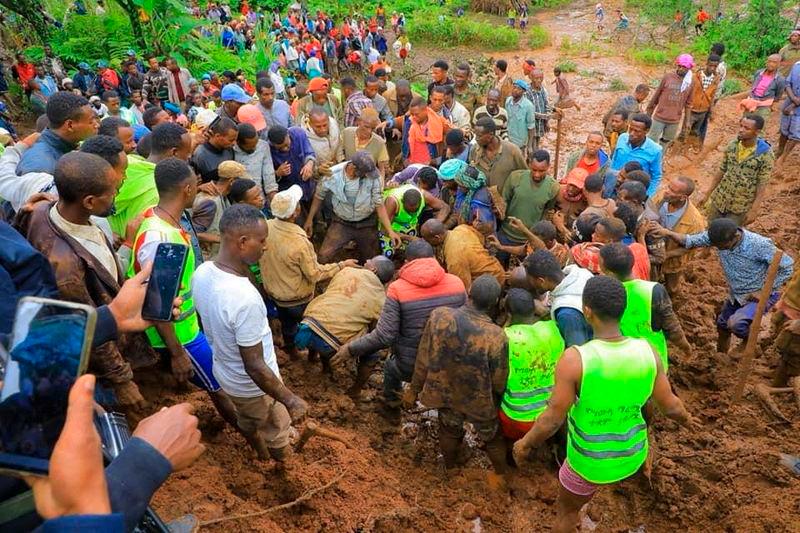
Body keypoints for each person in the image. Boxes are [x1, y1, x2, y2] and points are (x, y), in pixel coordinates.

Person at [512, 275, 696, 533]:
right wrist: (689, 421)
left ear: (587, 311)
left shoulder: (576, 360)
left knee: (566, 511)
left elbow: (553, 419)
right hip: (632, 454)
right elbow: (672, 407)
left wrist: (525, 444)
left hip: (589, 461)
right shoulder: (647, 352)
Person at [15, 149, 155, 409]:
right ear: (89, 202)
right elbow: (89, 325)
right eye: (113, 191)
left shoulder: (43, 207)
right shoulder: (66, 269)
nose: (117, 194)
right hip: (94, 370)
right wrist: (122, 380)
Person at [128, 157, 239, 428]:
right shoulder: (166, 241)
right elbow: (158, 303)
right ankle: (258, 443)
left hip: (180, 328)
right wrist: (177, 352)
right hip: (180, 335)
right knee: (220, 387)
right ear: (187, 190)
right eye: (196, 186)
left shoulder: (153, 218)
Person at [193, 204, 306, 461]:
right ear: (243, 242)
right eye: (262, 240)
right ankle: (279, 458)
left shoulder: (203, 272)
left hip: (225, 372)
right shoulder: (243, 299)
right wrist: (290, 400)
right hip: (253, 387)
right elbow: (255, 365)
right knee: (275, 426)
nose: (265, 246)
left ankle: (258, 447)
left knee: (247, 419)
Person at [333, 240, 466, 418]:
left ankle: (391, 407)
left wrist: (350, 349)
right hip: (451, 363)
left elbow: (385, 336)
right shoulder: (457, 283)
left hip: (410, 366)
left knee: (390, 366)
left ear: (407, 263)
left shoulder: (397, 289)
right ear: (434, 258)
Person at [404, 275, 509, 475]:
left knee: (449, 430)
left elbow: (423, 356)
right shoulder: (496, 336)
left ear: (469, 292)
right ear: (495, 303)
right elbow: (499, 379)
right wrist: (497, 399)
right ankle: (502, 474)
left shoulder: (439, 317)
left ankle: (450, 469)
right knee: (492, 438)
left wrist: (414, 389)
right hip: (478, 399)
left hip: (444, 392)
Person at [657, 218, 794, 354]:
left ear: (736, 237)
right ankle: (720, 358)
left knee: (736, 324)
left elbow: (788, 266)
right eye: (716, 245)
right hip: (737, 294)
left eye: (722, 246)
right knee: (722, 326)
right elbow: (689, 240)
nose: (719, 248)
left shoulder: (758, 245)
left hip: (759, 296)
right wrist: (667, 233)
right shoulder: (718, 238)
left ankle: (751, 344)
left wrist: (763, 291)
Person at [262, 185, 359, 359]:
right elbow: (315, 274)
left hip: (276, 295)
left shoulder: (266, 227)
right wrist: (341, 265)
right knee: (311, 325)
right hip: (297, 298)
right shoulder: (299, 242)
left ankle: (292, 352)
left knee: (287, 325)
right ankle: (312, 355)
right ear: (296, 212)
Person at [298, 255, 395, 396]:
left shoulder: (346, 271)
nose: (366, 260)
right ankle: (355, 390)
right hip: (330, 345)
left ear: (373, 269)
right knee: (372, 352)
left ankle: (315, 359)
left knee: (329, 311)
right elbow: (376, 331)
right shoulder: (381, 299)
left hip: (305, 327)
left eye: (369, 261)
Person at [600, 243, 690, 372]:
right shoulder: (654, 290)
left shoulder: (603, 293)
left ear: (606, 271)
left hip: (620, 364)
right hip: (653, 362)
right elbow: (671, 326)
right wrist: (685, 347)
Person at [306, 151, 399, 263]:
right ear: (353, 168)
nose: (367, 176)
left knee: (372, 261)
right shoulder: (332, 174)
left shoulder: (374, 176)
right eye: (364, 174)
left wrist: (390, 231)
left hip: (367, 223)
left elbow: (379, 204)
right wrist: (309, 219)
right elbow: (319, 196)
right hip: (341, 222)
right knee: (323, 257)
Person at [498, 288, 565, 441]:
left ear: (508, 314)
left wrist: (507, 322)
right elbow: (547, 316)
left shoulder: (506, 337)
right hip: (550, 414)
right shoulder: (553, 329)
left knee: (511, 440)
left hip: (516, 415)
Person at [108, 122, 193, 238]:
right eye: (188, 152)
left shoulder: (126, 165)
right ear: (174, 152)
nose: (189, 157)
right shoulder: (161, 189)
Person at [698, 113, 773, 225]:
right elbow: (722, 170)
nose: (741, 130)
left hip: (740, 206)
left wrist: (754, 209)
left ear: (757, 132)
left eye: (746, 128)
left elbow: (762, 183)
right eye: (741, 126)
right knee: (711, 230)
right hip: (720, 199)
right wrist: (707, 194)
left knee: (728, 237)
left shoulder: (765, 154)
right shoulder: (733, 145)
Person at [643, 176, 706, 294]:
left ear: (683, 197)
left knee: (672, 288)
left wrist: (666, 255)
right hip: (652, 250)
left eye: (672, 191)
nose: (667, 191)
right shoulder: (661, 198)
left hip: (673, 260)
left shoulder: (695, 221)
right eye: (668, 187)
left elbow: (691, 247)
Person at [16, 91, 98, 175]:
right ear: (70, 125)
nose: (97, 125)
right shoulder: (41, 170)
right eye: (91, 121)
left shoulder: (61, 148)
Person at [525, 249, 594, 347]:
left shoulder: (567, 314)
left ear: (541, 281)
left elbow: (577, 350)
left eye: (530, 281)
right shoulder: (581, 274)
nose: (530, 284)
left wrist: (546, 315)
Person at [499, 150, 559, 259]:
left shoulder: (553, 187)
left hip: (529, 239)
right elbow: (504, 201)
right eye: (534, 170)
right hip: (507, 234)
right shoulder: (516, 177)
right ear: (529, 164)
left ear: (549, 167)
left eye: (542, 171)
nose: (537, 174)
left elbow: (547, 211)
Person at [421, 217, 505, 291]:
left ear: (437, 238)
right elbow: (481, 239)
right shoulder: (462, 228)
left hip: (492, 283)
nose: (427, 243)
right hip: (496, 269)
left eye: (428, 240)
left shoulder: (454, 258)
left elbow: (463, 287)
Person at [646, 54, 694, 149]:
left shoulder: (690, 82)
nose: (680, 69)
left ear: (689, 68)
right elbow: (656, 95)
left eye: (684, 67)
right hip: (660, 117)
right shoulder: (668, 77)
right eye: (679, 66)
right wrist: (649, 112)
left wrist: (687, 121)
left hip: (674, 119)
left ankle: (659, 160)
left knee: (665, 142)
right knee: (651, 140)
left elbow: (688, 104)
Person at [609, 113, 663, 196]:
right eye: (630, 129)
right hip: (613, 185)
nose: (631, 133)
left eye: (637, 131)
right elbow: (614, 159)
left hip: (632, 193)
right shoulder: (622, 138)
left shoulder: (655, 150)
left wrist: (647, 196)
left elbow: (656, 177)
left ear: (647, 131)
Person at [470, 116, 526, 192]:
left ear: (490, 135)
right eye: (475, 135)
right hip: (482, 200)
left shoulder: (512, 151)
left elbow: (524, 175)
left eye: (479, 136)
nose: (476, 138)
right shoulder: (474, 151)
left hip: (505, 200)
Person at [267, 124, 316, 208]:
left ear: (288, 135)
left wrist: (309, 164)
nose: (285, 149)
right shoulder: (267, 149)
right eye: (280, 148)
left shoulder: (299, 133)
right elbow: (267, 177)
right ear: (273, 144)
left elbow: (310, 153)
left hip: (307, 185)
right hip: (288, 191)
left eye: (287, 145)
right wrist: (278, 173)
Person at [770, 263, 800, 387]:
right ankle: (778, 376)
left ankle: (785, 386)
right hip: (790, 307)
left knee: (795, 352)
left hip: (797, 316)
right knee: (785, 347)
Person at [234, 122, 277, 204]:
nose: (255, 148)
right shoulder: (230, 150)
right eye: (251, 146)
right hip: (240, 203)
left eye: (256, 143)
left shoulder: (263, 146)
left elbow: (268, 174)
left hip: (260, 200)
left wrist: (273, 196)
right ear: (238, 142)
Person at [684, 54, 721, 148]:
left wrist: (711, 111)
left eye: (715, 66)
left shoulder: (715, 79)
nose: (712, 68)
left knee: (695, 131)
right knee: (685, 130)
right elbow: (687, 93)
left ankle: (688, 148)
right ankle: (679, 149)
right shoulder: (696, 76)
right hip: (692, 109)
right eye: (710, 65)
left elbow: (712, 96)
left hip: (703, 111)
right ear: (706, 63)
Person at [342, 107, 390, 178]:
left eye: (373, 128)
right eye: (366, 127)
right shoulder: (346, 133)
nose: (369, 131)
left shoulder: (379, 143)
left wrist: (380, 186)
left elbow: (382, 170)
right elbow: (339, 156)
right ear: (358, 121)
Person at [191, 116, 237, 183]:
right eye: (231, 140)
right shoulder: (199, 156)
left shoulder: (229, 150)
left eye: (235, 140)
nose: (234, 143)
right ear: (218, 136)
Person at [303, 106, 343, 178]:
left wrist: (340, 161)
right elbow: (305, 167)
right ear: (310, 124)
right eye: (318, 126)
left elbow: (339, 145)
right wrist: (318, 170)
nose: (323, 129)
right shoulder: (303, 137)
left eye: (325, 125)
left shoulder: (334, 124)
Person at [775, 60, 800, 176]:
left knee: (796, 135)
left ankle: (783, 158)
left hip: (796, 108)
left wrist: (794, 104)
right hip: (789, 103)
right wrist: (793, 99)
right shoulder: (796, 65)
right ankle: (779, 151)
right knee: (784, 130)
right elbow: (788, 83)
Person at [505, 80, 537, 156]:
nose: (515, 90)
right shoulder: (508, 101)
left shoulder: (528, 106)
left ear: (523, 92)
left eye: (518, 89)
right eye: (514, 87)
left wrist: (529, 146)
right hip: (507, 140)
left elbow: (531, 127)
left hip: (520, 144)